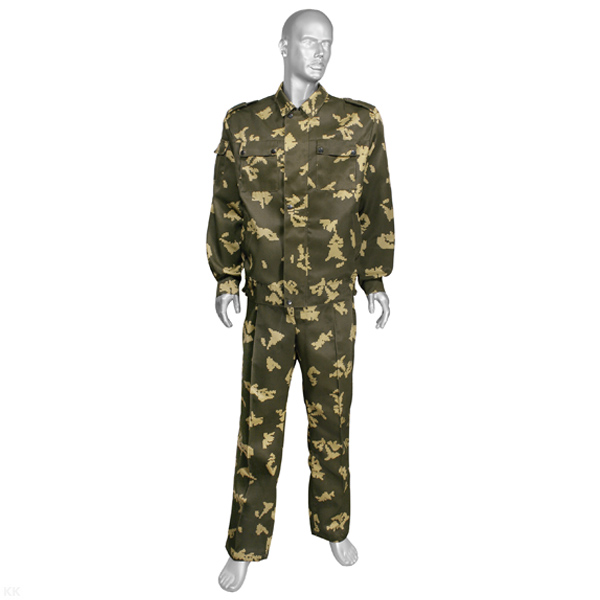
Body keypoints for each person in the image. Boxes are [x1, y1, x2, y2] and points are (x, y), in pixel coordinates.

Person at [206, 8, 395, 592]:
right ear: (283, 46)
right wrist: (226, 277)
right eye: (309, 41)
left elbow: (376, 202)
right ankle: (245, 545)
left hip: (332, 308)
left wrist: (375, 279)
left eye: (327, 43)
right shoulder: (244, 124)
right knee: (257, 427)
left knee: (331, 421)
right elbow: (226, 204)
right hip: (267, 306)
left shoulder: (359, 122)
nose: (320, 52)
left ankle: (333, 527)